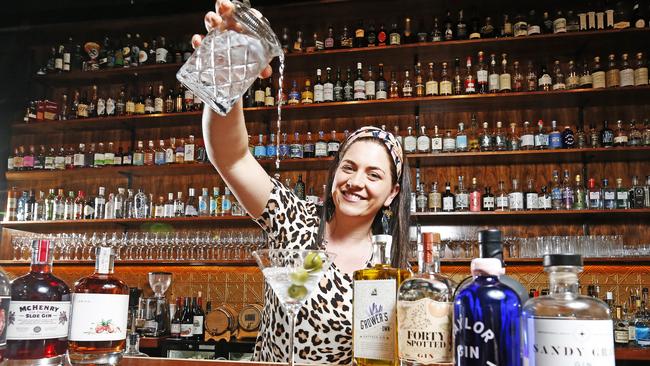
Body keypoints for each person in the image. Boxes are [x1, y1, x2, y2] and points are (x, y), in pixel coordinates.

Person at [193, 1, 412, 364]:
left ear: (391, 194)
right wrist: (227, 77)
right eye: (348, 167)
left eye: (374, 175)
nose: (356, 182)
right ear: (334, 173)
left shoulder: (390, 266)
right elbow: (231, 157)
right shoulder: (296, 220)